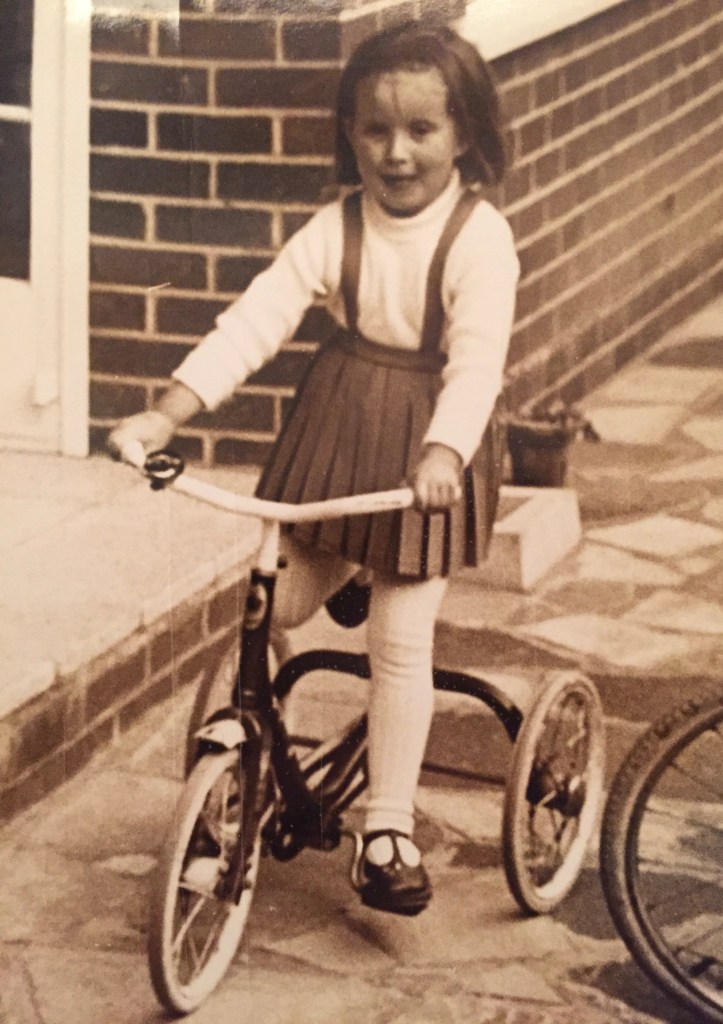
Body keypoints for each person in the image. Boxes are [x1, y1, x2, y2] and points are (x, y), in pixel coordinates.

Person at [109, 20, 520, 916]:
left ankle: (388, 827)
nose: (397, 152)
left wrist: (445, 451)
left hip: (425, 453)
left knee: (398, 642)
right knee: (275, 604)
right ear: (349, 133)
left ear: (463, 135)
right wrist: (167, 411)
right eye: (376, 129)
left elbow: (478, 361)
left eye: (422, 130)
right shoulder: (336, 227)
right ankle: (254, 739)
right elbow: (256, 319)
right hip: (337, 433)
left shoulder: (479, 238)